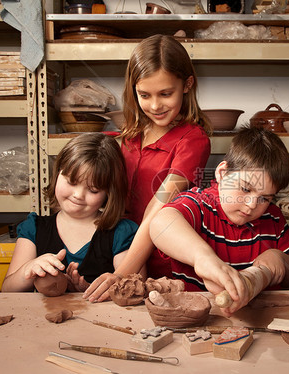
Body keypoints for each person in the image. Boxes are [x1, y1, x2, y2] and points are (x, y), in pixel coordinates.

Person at [83, 34, 211, 302]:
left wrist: (123, 274)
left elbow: (159, 206)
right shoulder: (128, 138)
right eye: (144, 95)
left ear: (187, 84)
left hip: (166, 265)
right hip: (122, 254)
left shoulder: (193, 141)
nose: (155, 105)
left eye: (166, 94)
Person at [150, 127, 289, 315]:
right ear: (222, 173)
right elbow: (161, 223)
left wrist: (279, 259)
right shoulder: (200, 204)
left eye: (265, 198)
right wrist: (203, 258)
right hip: (203, 320)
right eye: (246, 189)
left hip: (261, 318)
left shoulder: (272, 217)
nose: (252, 204)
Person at [1, 133, 137, 292]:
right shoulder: (34, 228)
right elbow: (7, 290)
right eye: (72, 182)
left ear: (109, 194)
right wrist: (28, 269)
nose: (78, 195)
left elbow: (133, 291)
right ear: (58, 173)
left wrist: (85, 291)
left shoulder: (122, 233)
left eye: (93, 190)